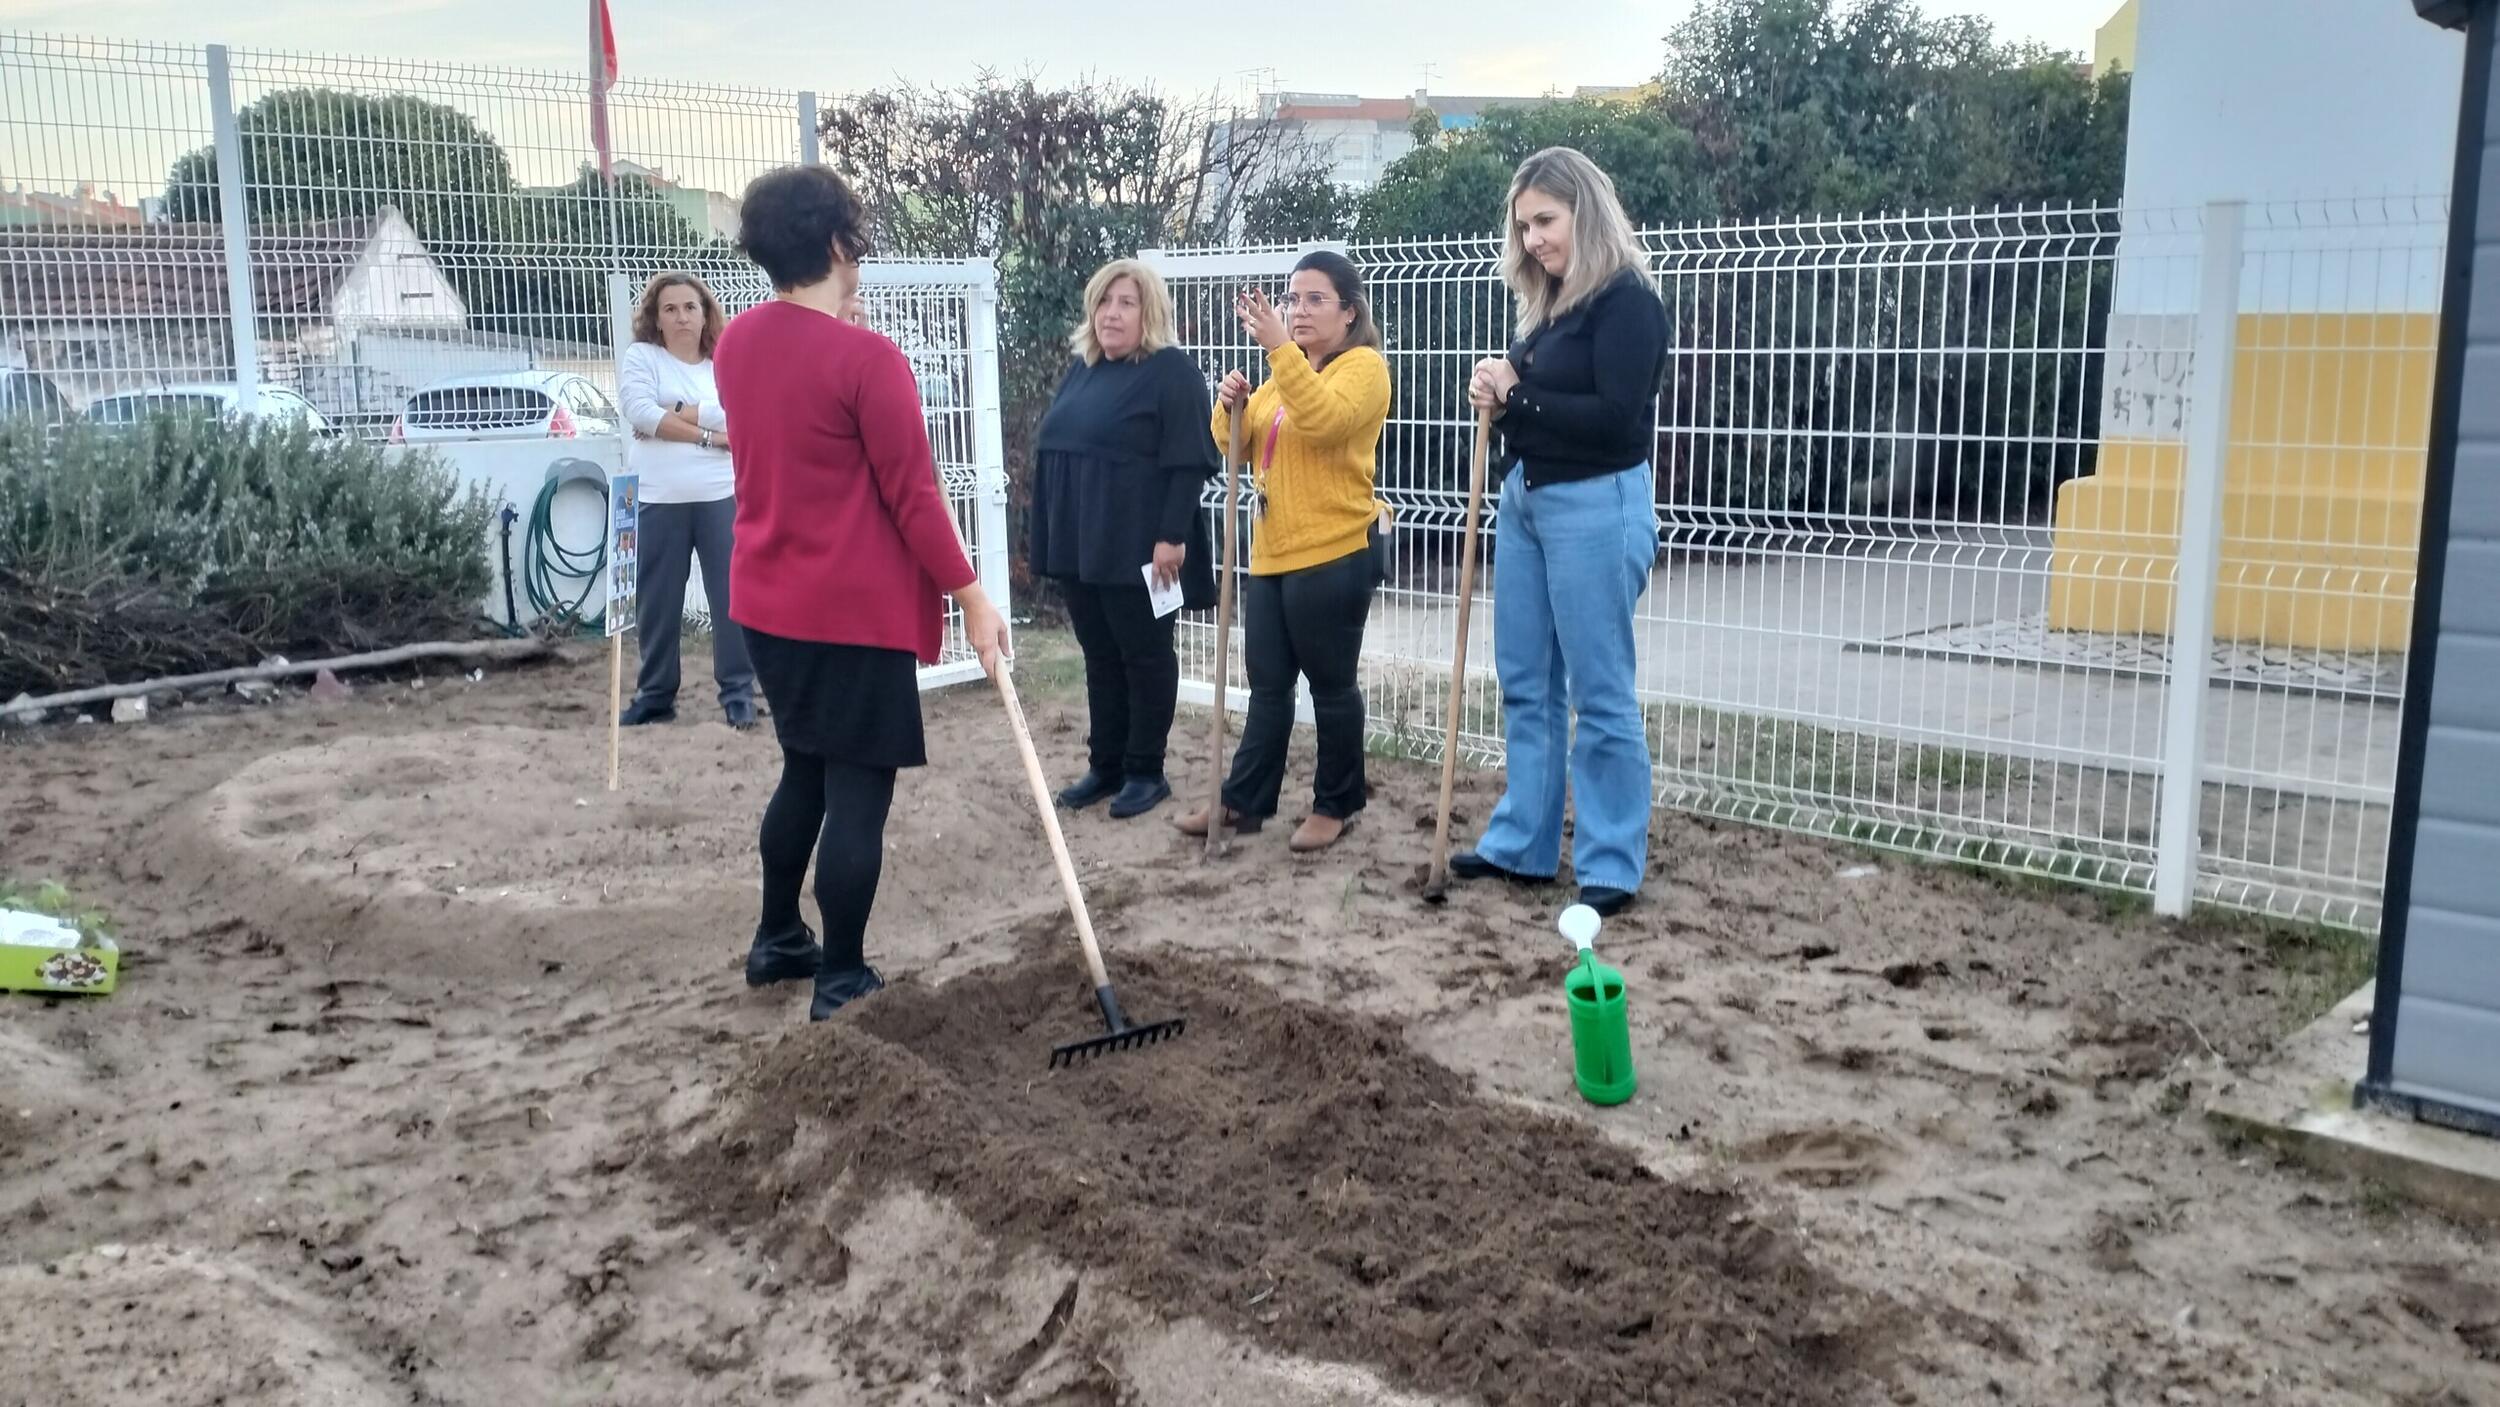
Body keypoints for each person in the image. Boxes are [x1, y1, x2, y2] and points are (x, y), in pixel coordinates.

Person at [712, 164, 1010, 1020]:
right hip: (849, 611)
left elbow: (797, 418)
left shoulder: (735, 342)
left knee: (803, 766)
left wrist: (841, 334)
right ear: (840, 243)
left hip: (767, 601)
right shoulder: (868, 358)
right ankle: (841, 972)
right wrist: (971, 595)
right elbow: (913, 496)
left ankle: (776, 938)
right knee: (858, 793)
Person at [1451, 147, 1668, 919]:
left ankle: (1610, 859)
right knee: (1527, 681)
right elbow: (1531, 401)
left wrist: (1522, 394)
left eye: (1545, 220)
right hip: (1528, 501)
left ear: (1586, 210)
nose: (1533, 238)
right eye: (1524, 226)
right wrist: (1498, 390)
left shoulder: (1628, 303)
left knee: (1600, 690)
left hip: (1595, 506)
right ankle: (1523, 845)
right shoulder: (1550, 307)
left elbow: (1615, 421)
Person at [1176, 251, 1392, 853]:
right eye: (1294, 299)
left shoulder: (1364, 369)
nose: (1299, 310)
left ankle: (1337, 802)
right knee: (1267, 685)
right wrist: (1231, 405)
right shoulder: (1283, 373)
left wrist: (1279, 352)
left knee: (1330, 684)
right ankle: (1245, 801)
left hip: (1334, 550)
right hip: (1272, 552)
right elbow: (1238, 447)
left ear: (1349, 313)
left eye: (1315, 299)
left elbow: (1323, 422)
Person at [1029, 259, 1220, 820]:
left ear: (1150, 313)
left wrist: (1171, 537)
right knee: (1100, 655)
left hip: (1141, 542)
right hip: (1081, 542)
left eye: (1126, 303)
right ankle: (1105, 764)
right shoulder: (1083, 368)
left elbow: (1188, 462)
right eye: (1104, 301)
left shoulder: (1172, 373)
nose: (1111, 313)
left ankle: (1145, 769)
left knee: (1144, 654)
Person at [616, 271, 756, 729]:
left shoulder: (726, 360)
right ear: (655, 318)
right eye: (670, 308)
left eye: (690, 307)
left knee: (731, 598)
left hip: (720, 496)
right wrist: (709, 436)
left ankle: (738, 692)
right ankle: (655, 694)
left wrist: (671, 413)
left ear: (705, 314)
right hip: (657, 498)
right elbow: (639, 412)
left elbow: (741, 414)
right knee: (657, 601)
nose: (681, 317)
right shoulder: (642, 357)